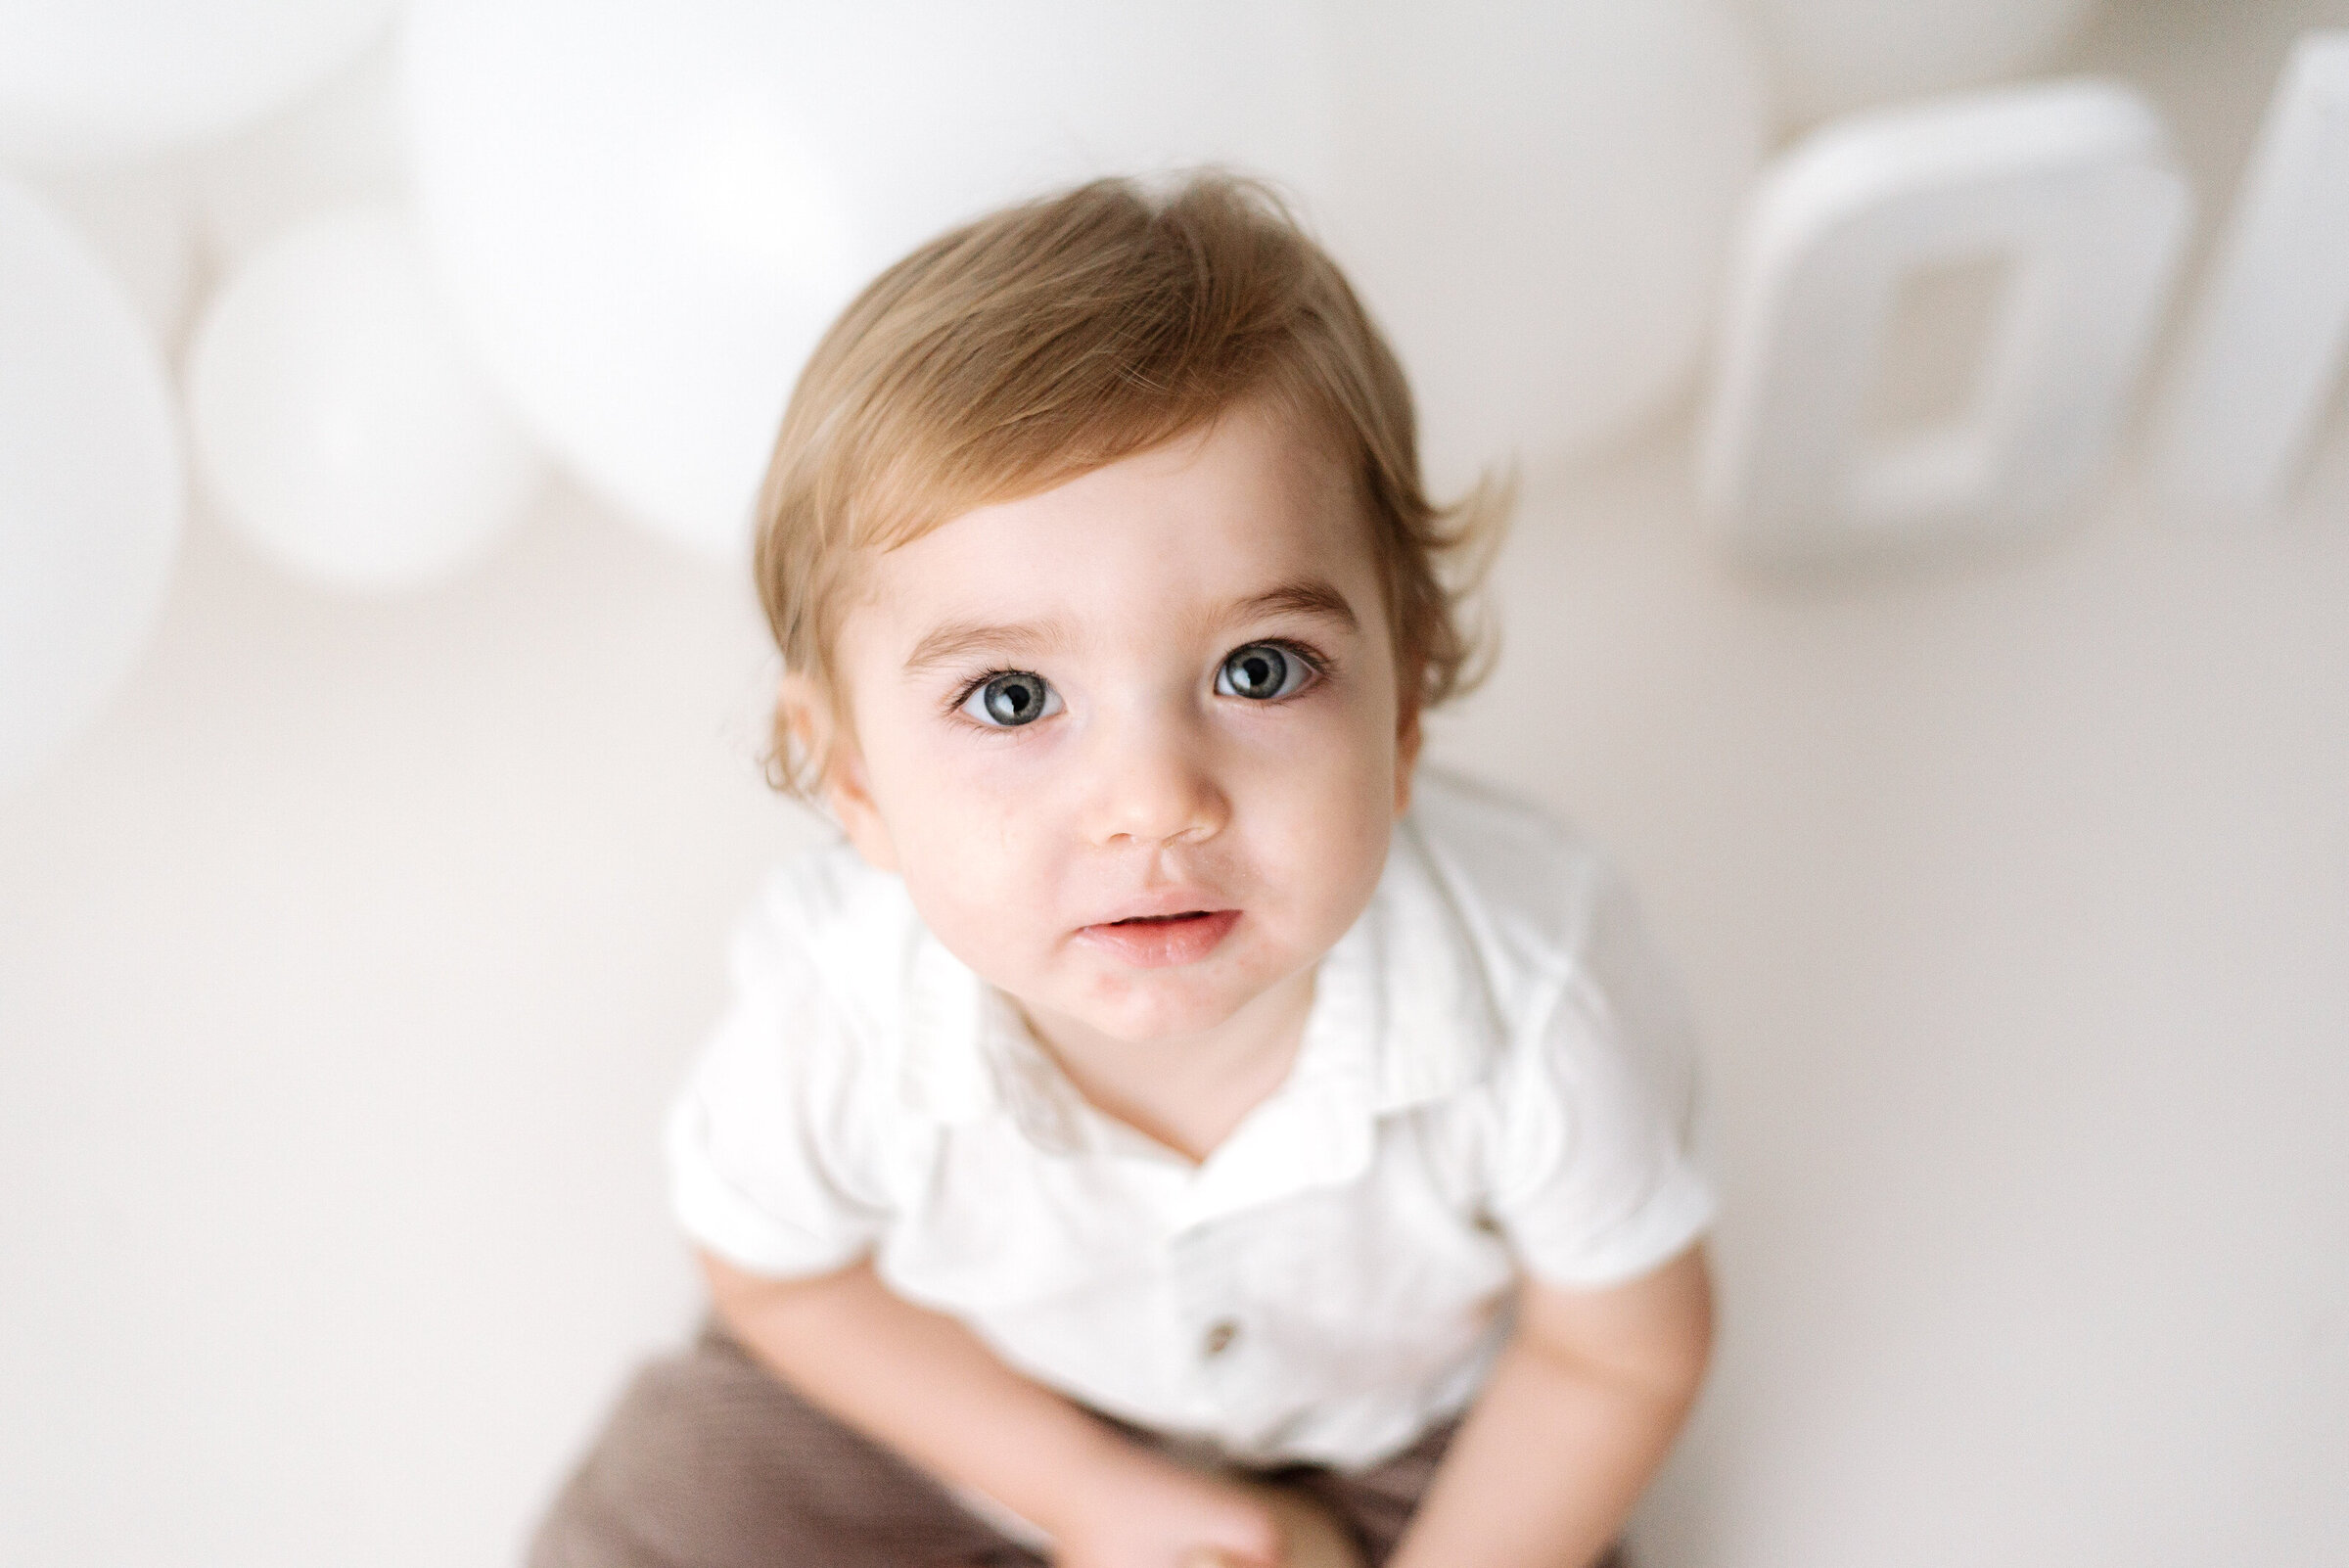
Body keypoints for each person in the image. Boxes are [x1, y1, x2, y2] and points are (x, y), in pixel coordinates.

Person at [530, 172, 1717, 1568]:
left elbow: (1614, 1357)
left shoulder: (1535, 987)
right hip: (977, 1396)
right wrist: (1085, 1496)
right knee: (665, 1519)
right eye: (1015, 700)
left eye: (1257, 669)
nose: (1155, 805)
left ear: (1404, 709)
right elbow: (776, 1275)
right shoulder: (836, 1011)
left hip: (1380, 1432)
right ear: (851, 774)